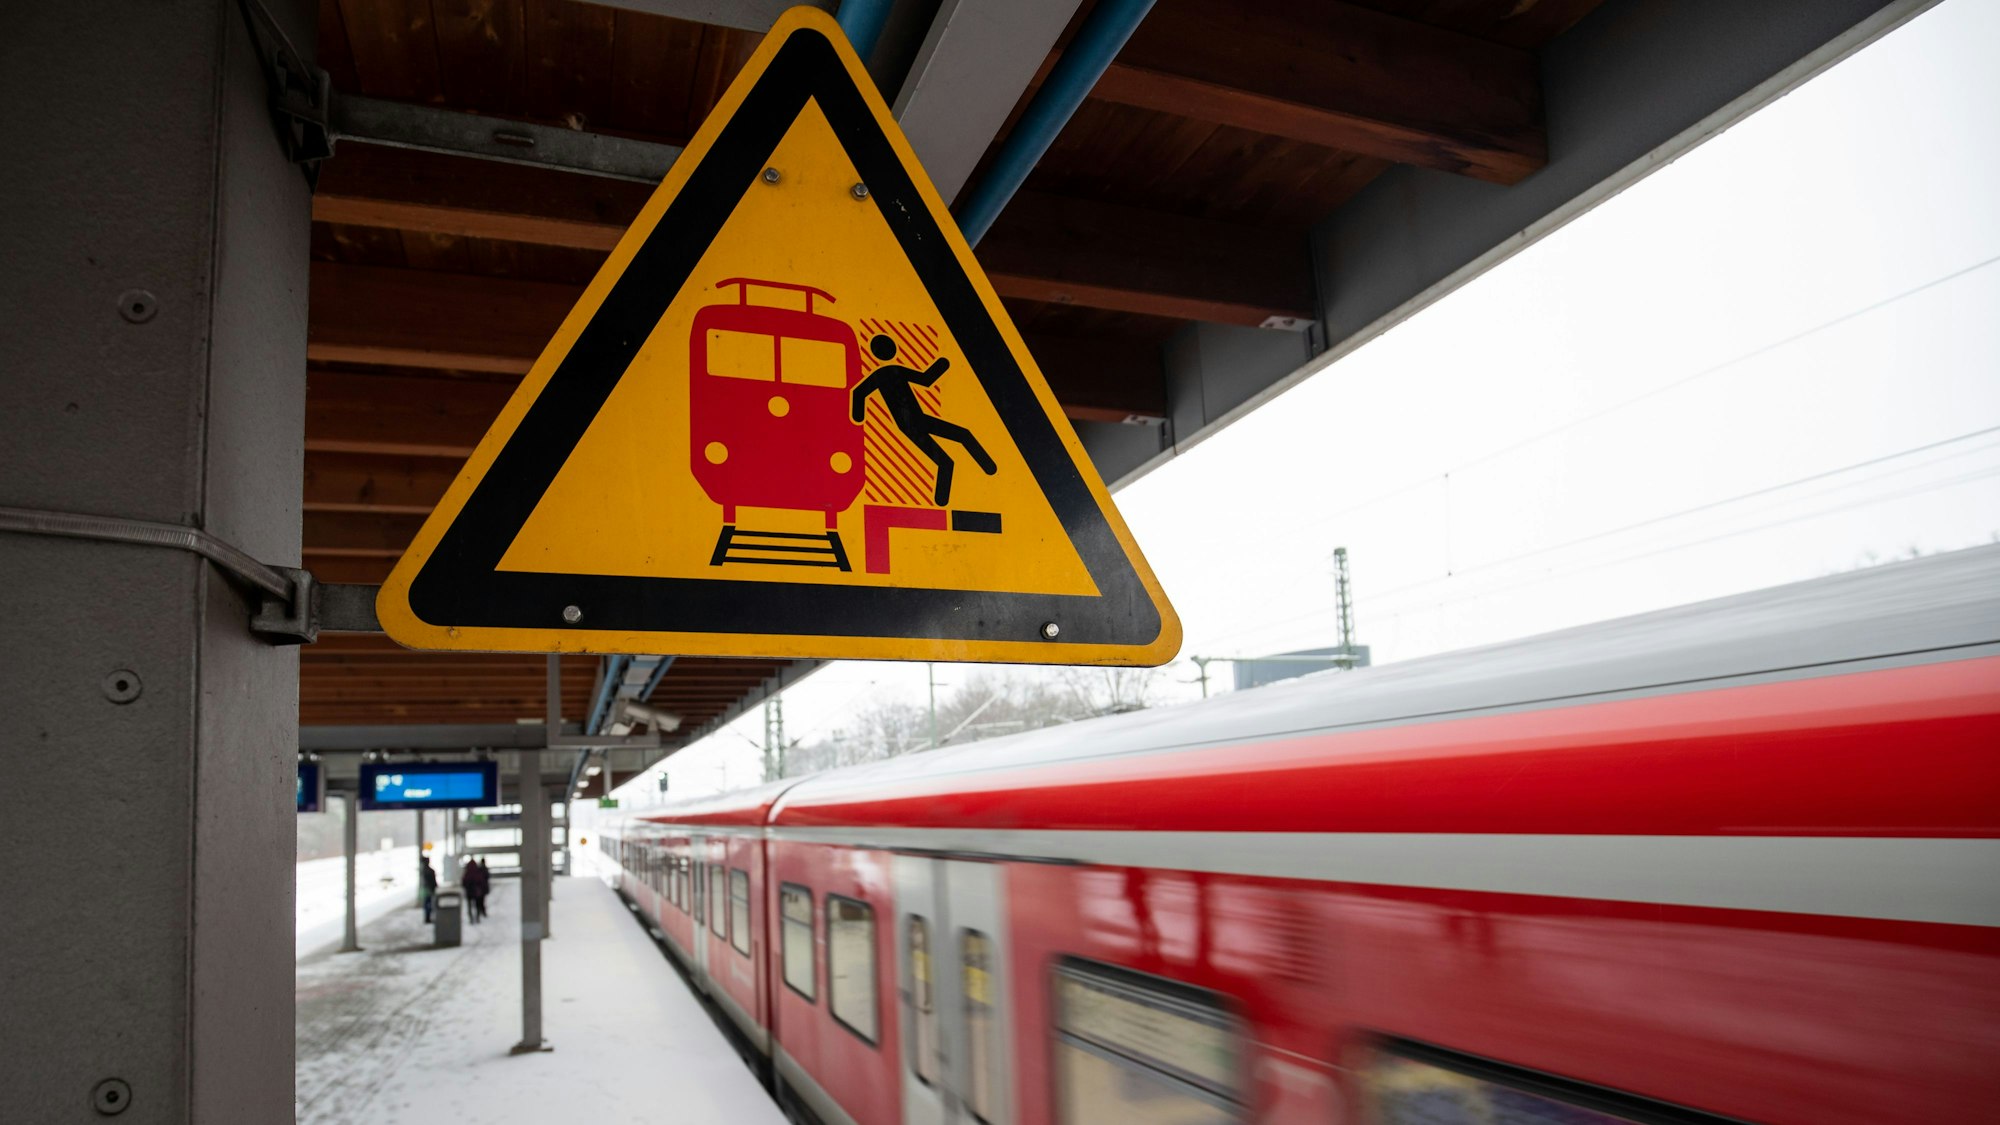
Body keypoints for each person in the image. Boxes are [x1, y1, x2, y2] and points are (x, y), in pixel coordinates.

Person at [850, 334, 996, 506]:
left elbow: (925, 379)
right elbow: (858, 393)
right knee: (950, 455)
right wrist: (858, 419)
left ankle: (991, 471)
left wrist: (942, 364)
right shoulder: (884, 374)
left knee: (959, 442)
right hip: (911, 425)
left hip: (917, 420)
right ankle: (943, 502)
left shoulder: (892, 371)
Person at [467, 857, 491, 923]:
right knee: (478, 904)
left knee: (470, 906)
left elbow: (464, 882)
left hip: (469, 892)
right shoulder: (478, 872)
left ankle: (471, 918)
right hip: (476, 892)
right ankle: (478, 917)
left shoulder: (467, 873)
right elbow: (481, 881)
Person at [418, 856, 438, 925]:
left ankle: (427, 918)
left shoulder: (424, 870)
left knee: (427, 904)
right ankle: (427, 918)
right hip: (429, 889)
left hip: (426, 889)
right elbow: (433, 881)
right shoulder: (429, 870)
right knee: (428, 904)